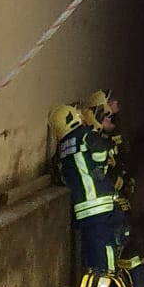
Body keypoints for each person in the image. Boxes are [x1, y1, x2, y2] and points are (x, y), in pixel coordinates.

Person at [87, 89, 144, 287]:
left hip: (117, 196)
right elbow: (105, 172)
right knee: (128, 240)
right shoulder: (95, 141)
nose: (114, 110)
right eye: (107, 113)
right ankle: (141, 284)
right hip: (108, 201)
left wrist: (127, 182)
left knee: (133, 239)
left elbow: (123, 160)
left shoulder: (111, 135)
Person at [48, 101, 121, 275]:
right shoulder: (85, 135)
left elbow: (59, 174)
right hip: (100, 203)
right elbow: (101, 153)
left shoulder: (61, 149)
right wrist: (100, 168)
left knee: (91, 249)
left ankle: (94, 281)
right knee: (106, 246)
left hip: (81, 210)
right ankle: (108, 282)